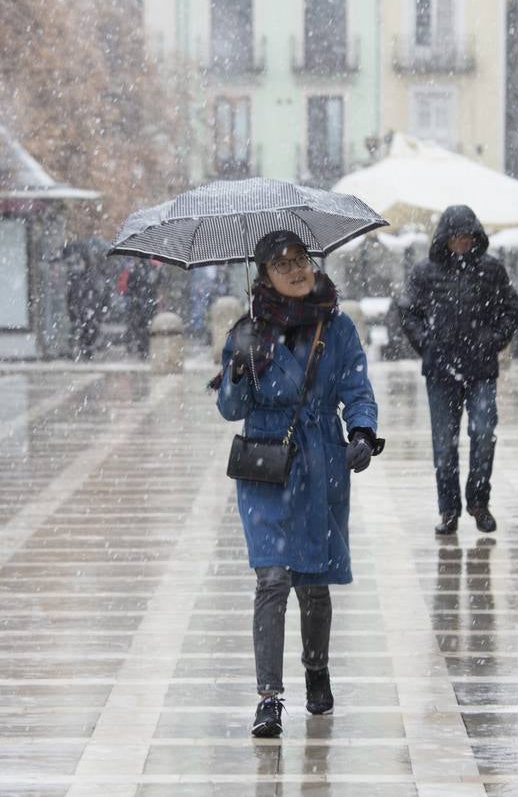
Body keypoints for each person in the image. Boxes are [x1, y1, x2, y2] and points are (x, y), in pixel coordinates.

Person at [213, 230, 384, 738]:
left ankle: (316, 669)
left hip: (320, 462)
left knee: (313, 580)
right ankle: (268, 698)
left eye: (300, 259)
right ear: (262, 276)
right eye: (280, 263)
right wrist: (240, 370)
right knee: (272, 580)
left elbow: (357, 386)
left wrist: (362, 432)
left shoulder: (337, 325)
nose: (294, 268)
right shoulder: (248, 330)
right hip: (267, 465)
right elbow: (229, 409)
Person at [399, 205, 518, 535]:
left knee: (483, 433)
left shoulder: (492, 270)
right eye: (456, 237)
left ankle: (479, 501)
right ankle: (449, 509)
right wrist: (427, 343)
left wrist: (494, 339)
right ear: (444, 239)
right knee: (445, 443)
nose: (462, 243)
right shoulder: (424, 272)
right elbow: (407, 312)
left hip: (481, 369)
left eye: (467, 236)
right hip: (440, 371)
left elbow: (512, 309)